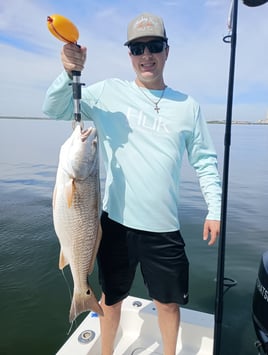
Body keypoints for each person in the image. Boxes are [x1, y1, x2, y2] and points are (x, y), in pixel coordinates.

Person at [43, 12, 221, 355]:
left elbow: (205, 161)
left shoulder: (188, 106)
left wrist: (213, 207)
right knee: (111, 300)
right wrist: (67, 72)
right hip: (115, 225)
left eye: (154, 46)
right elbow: (56, 108)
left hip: (164, 227)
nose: (146, 55)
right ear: (130, 55)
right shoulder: (109, 93)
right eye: (138, 49)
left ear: (167, 50)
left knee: (168, 305)